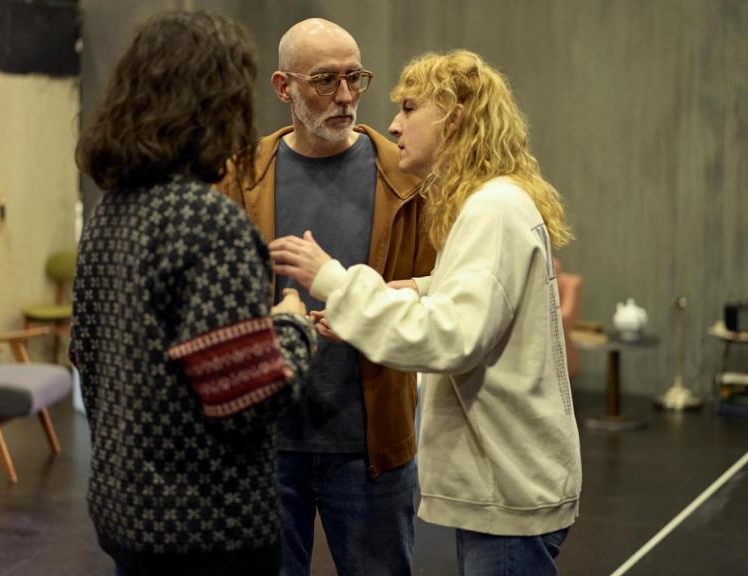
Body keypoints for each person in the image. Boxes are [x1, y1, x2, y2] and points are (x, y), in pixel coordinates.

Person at [269, 50, 582, 575]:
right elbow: (474, 294)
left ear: (454, 118)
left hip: (506, 492)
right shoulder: (497, 201)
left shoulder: (492, 210)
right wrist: (408, 291)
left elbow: (451, 337)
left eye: (411, 108)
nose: (393, 123)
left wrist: (332, 281)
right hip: (509, 486)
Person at [69, 10, 316, 576]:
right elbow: (245, 398)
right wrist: (291, 322)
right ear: (218, 101)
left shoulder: (111, 211)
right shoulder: (209, 222)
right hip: (207, 532)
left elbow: (86, 357)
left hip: (126, 515)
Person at [216, 18, 435, 576]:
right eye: (323, 80)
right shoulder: (241, 177)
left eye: (354, 78)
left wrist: (375, 307)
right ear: (283, 87)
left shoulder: (405, 178)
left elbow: (438, 299)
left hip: (372, 446)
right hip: (265, 444)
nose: (345, 96)